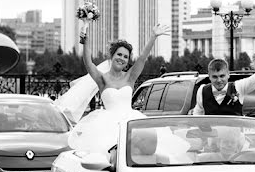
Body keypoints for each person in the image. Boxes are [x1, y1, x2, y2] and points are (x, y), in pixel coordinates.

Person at [53, 16, 170, 153]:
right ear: (112, 56)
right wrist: (85, 33)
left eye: (126, 57)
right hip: (107, 127)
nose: (122, 59)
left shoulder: (130, 77)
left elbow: (142, 58)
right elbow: (88, 62)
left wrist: (153, 37)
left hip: (130, 122)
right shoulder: (102, 79)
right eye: (119, 55)